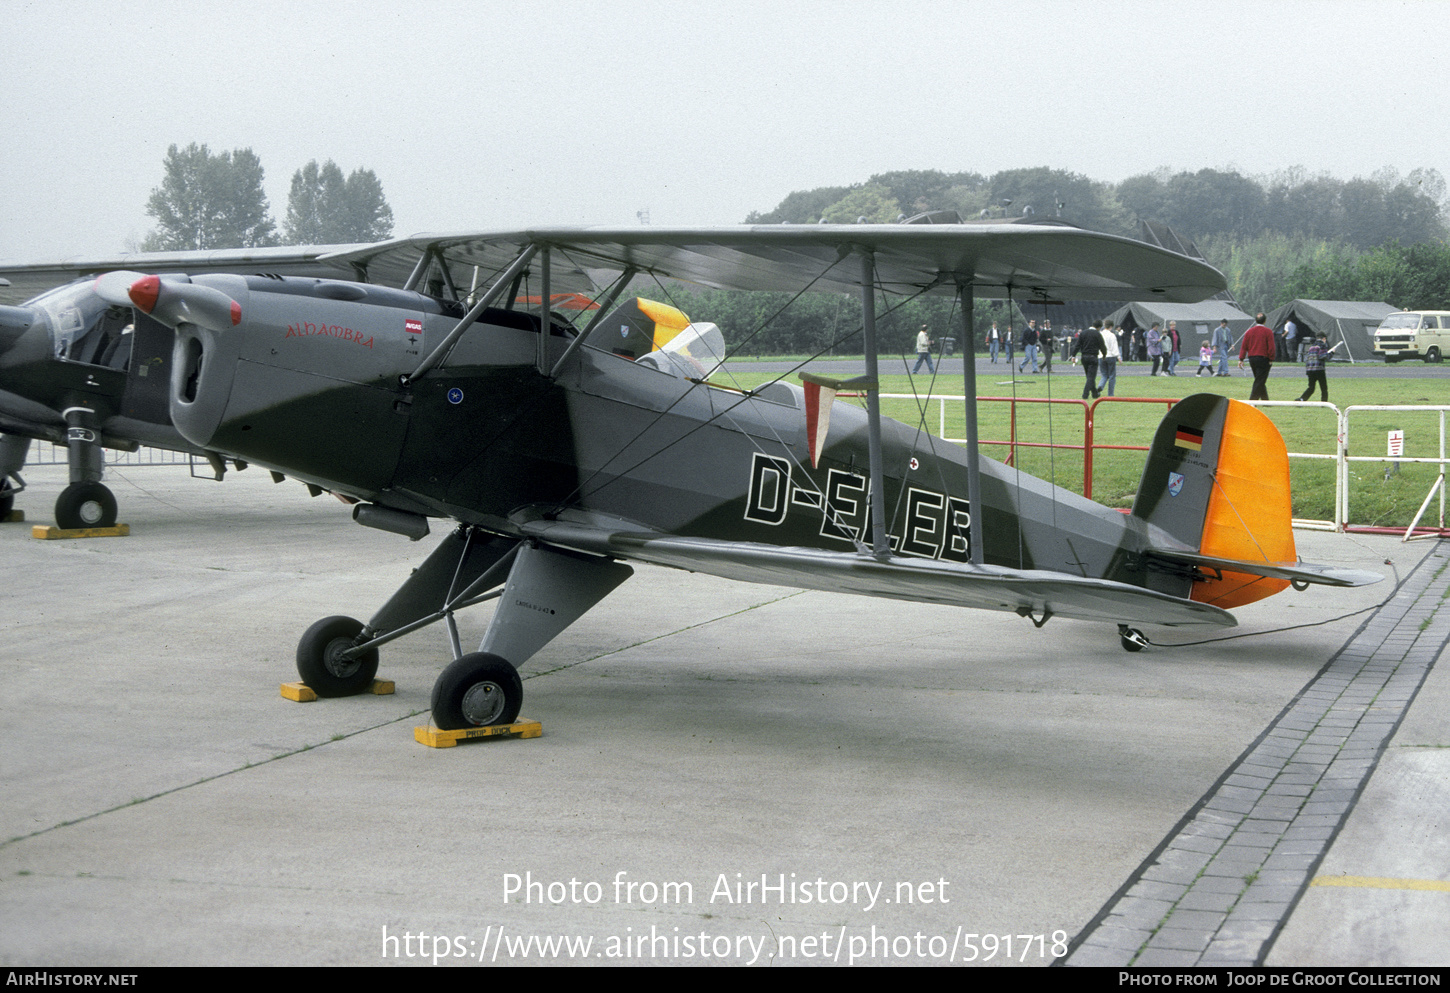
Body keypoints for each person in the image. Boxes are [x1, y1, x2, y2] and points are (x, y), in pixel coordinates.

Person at [1239, 312, 1275, 401]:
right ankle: (1252, 401)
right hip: (1263, 358)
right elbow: (1271, 347)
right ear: (1265, 321)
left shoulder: (1249, 332)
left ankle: (1265, 400)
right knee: (1260, 380)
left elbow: (1244, 346)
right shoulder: (1268, 331)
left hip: (1252, 358)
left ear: (1255, 320)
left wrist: (1241, 359)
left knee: (1259, 379)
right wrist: (1271, 358)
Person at [1297, 332, 1337, 402]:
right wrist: (1332, 353)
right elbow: (1323, 356)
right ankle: (1324, 402)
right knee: (1323, 388)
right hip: (1319, 369)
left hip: (1310, 370)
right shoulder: (1322, 345)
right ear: (1324, 338)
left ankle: (1302, 399)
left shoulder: (1311, 346)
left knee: (1311, 387)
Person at [1072, 320, 1106, 399]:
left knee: (1089, 377)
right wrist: (1104, 354)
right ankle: (1085, 394)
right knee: (1091, 378)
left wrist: (1073, 355)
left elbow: (1077, 345)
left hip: (1084, 357)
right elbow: (1102, 345)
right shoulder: (1097, 334)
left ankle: (1095, 393)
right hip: (1093, 357)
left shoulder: (1083, 333)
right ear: (1099, 327)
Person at [1097, 319, 1120, 396]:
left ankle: (1100, 386)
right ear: (1111, 326)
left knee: (1104, 375)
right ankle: (1110, 394)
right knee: (1112, 376)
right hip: (1110, 356)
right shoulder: (1112, 335)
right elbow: (1114, 347)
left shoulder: (1099, 334)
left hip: (1101, 356)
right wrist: (1118, 357)